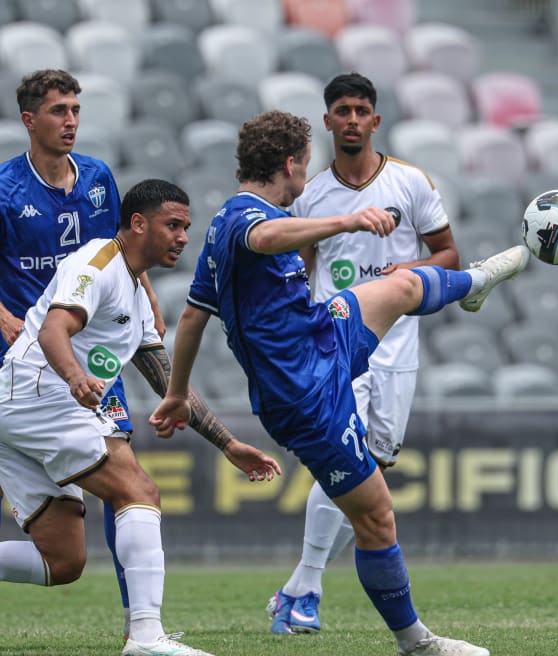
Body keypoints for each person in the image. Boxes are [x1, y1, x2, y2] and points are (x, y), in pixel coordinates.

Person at [149, 109, 527, 656]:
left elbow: (191, 317)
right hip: (304, 394)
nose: (308, 175)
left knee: (397, 286)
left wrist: (178, 392)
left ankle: (472, 283)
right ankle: (415, 643)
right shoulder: (245, 220)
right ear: (290, 165)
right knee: (376, 516)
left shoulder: (228, 222)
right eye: (304, 164)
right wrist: (345, 222)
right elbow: (267, 238)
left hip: (322, 332)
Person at [0, 68, 251, 641]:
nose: (70, 120)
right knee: (134, 486)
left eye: (75, 110)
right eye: (58, 110)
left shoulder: (97, 186)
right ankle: (146, 633)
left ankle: (139, 620)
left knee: (62, 561)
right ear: (29, 120)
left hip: (73, 363)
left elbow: (166, 376)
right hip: (44, 370)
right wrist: (35, 340)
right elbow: (63, 319)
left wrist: (229, 441)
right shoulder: (11, 195)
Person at [265, 73, 463, 634]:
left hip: (398, 344)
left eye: (361, 110)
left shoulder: (411, 183)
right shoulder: (310, 196)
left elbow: (448, 253)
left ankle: (297, 589)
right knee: (343, 460)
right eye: (342, 111)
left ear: (376, 120)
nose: (352, 119)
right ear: (327, 121)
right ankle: (306, 589)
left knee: (372, 464)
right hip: (336, 343)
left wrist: (415, 271)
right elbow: (298, 269)